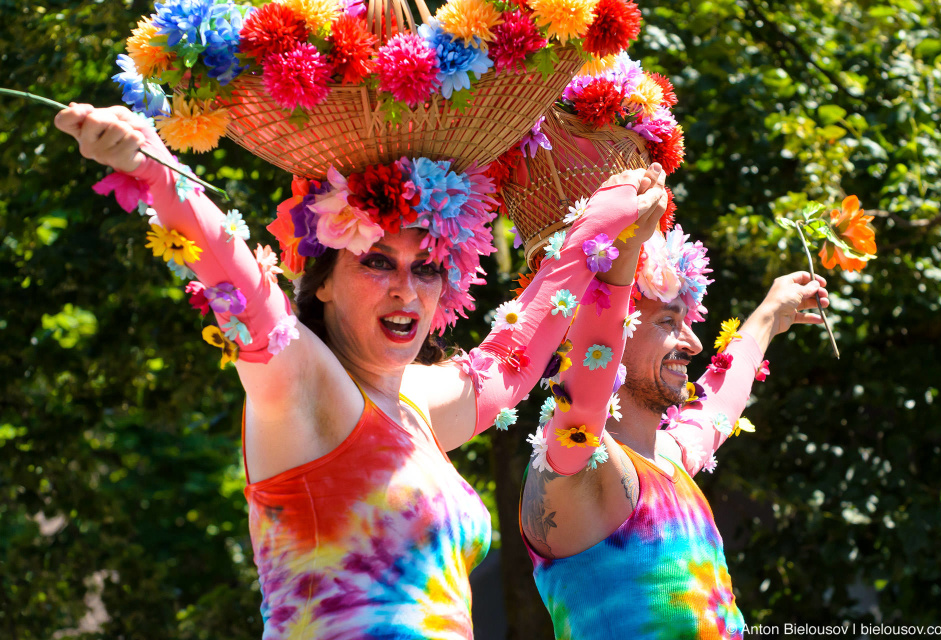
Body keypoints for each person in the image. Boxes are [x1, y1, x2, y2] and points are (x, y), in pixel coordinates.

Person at [53, 100, 670, 638]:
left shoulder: (424, 405)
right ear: (321, 284)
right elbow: (238, 284)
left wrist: (610, 238)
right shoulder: (304, 383)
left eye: (426, 269)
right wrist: (152, 166)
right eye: (377, 262)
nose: (407, 290)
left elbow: (515, 356)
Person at [520, 223, 829, 639]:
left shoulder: (668, 456)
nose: (695, 343)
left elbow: (716, 405)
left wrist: (771, 314)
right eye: (669, 321)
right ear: (614, 327)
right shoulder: (575, 460)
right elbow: (585, 395)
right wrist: (619, 252)